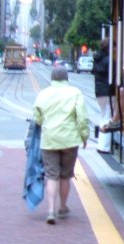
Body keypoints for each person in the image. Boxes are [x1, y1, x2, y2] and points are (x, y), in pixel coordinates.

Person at [33, 66, 90, 224]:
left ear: (52, 79)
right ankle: (62, 207)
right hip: (69, 140)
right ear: (66, 78)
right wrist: (84, 137)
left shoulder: (43, 94)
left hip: (49, 140)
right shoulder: (75, 93)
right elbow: (82, 118)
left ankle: (50, 209)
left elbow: (37, 117)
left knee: (51, 175)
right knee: (65, 175)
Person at [93, 39, 118, 151]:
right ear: (109, 47)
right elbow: (113, 77)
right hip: (108, 92)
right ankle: (104, 146)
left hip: (99, 92)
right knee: (108, 117)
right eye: (114, 47)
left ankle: (100, 144)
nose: (115, 49)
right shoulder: (109, 61)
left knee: (103, 115)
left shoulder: (97, 59)